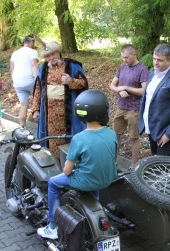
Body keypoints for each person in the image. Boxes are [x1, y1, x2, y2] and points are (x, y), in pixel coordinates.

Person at [37, 90, 117, 239]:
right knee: (93, 177)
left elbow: (67, 171)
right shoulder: (112, 134)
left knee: (53, 183)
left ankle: (52, 226)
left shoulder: (79, 138)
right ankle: (94, 207)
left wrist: (71, 167)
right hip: (107, 179)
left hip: (86, 181)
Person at [32, 41, 88, 156]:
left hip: (69, 113)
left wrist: (71, 81)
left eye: (53, 54)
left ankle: (70, 164)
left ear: (59, 53)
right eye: (48, 56)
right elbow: (38, 89)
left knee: (70, 140)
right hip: (49, 114)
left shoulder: (72, 66)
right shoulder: (42, 69)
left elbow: (84, 84)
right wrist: (35, 109)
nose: (51, 58)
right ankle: (53, 164)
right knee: (50, 141)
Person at [138, 44, 170, 157]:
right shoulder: (152, 75)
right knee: (155, 162)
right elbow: (146, 99)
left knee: (163, 167)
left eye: (160, 60)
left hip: (164, 131)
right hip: (151, 128)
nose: (155, 62)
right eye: (154, 59)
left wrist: (168, 134)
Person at [110, 44, 148, 165]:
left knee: (133, 138)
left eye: (126, 57)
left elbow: (144, 91)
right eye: (122, 57)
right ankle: (113, 161)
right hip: (120, 107)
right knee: (115, 135)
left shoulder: (142, 69)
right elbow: (112, 85)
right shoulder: (122, 67)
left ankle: (134, 165)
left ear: (134, 54)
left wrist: (127, 88)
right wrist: (119, 90)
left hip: (134, 109)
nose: (124, 60)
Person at [10, 35, 39, 127]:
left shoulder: (15, 53)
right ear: (31, 42)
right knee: (39, 100)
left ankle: (22, 127)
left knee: (23, 106)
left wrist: (14, 80)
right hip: (30, 81)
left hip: (18, 83)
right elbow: (34, 65)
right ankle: (40, 125)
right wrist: (37, 79)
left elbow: (11, 69)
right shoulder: (33, 52)